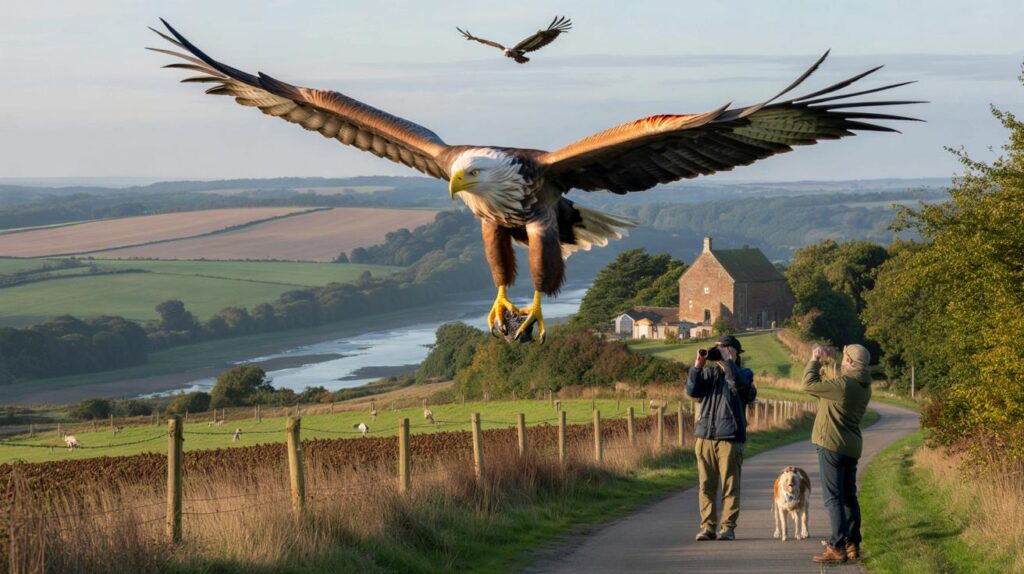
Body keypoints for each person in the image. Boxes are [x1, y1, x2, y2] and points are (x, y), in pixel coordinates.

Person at [802, 343, 872, 564]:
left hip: (832, 445)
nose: (842, 361)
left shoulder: (843, 384)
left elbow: (808, 384)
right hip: (851, 447)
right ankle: (853, 544)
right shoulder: (863, 385)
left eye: (844, 358)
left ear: (850, 361)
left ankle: (836, 546)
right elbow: (826, 395)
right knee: (849, 496)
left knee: (833, 498)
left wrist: (815, 359)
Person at [685, 334, 757, 541]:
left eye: (725, 348)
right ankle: (708, 528)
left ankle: (727, 528)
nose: (720, 350)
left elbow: (737, 384)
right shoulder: (709, 373)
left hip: (730, 438)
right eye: (718, 348)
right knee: (706, 486)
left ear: (735, 352)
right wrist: (697, 366)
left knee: (729, 485)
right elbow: (691, 390)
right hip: (705, 436)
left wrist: (727, 362)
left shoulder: (744, 373)